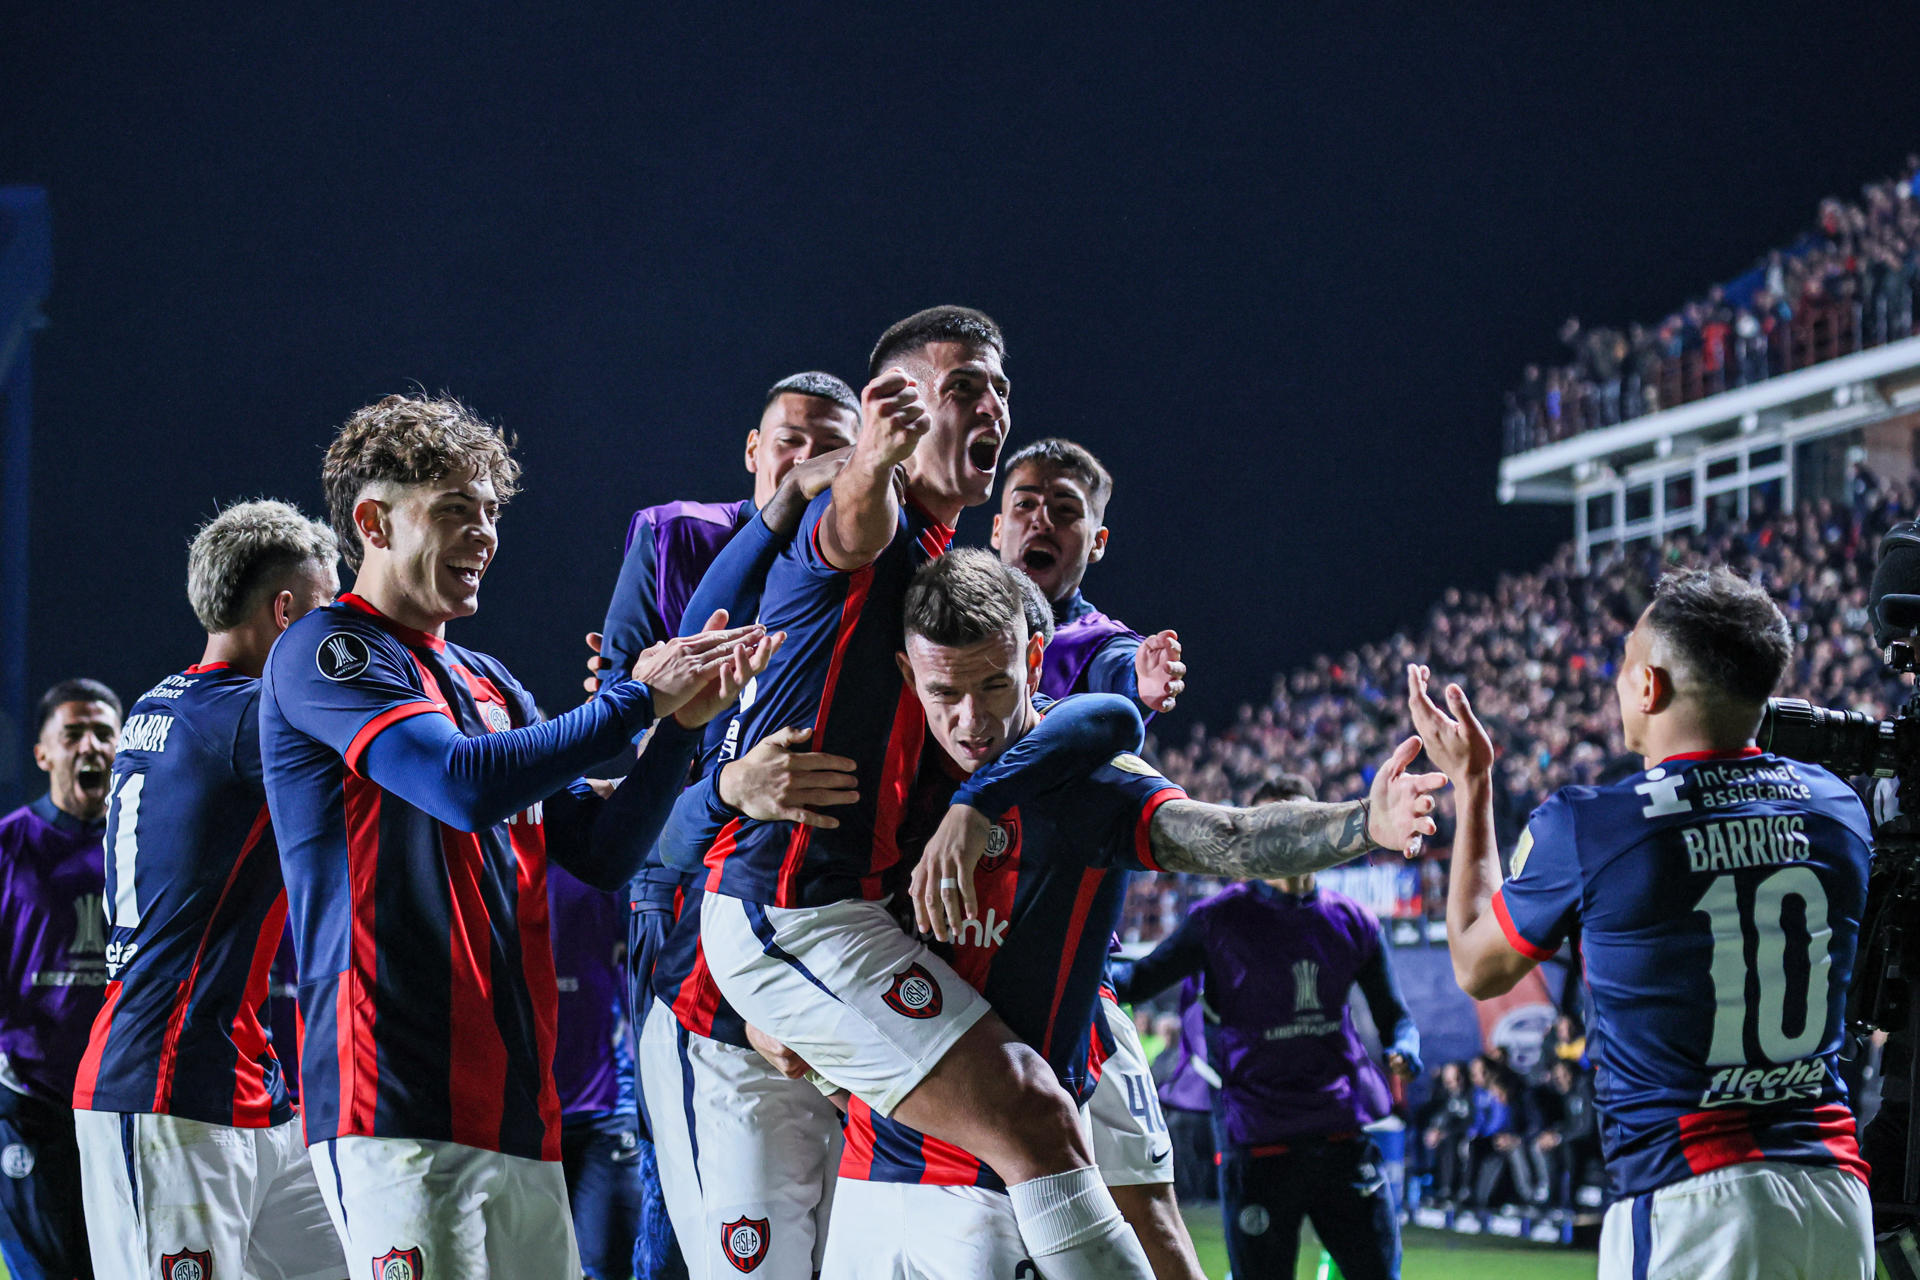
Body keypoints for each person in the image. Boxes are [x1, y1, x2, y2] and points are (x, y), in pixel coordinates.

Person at [759, 549, 1440, 1278]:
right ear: (906, 676)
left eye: (995, 684)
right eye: (943, 692)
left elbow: (1229, 836)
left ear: (1035, 656)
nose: (970, 720)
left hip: (1001, 1188)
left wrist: (1364, 823)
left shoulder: (1088, 785)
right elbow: (774, 909)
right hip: (864, 1173)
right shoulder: (882, 778)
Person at [260, 393, 777, 1275]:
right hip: (393, 1097)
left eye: (492, 512)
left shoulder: (489, 680)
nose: (486, 535)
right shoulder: (328, 649)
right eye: (457, 509)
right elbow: (459, 785)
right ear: (373, 521)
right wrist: (631, 699)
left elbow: (605, 852)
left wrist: (684, 725)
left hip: (517, 1103)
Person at [1410, 566, 1874, 1280]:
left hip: (1694, 1198)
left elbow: (1477, 963)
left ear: (1650, 685)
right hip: (1837, 1196)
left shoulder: (1594, 824)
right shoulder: (1838, 805)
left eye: (1625, 662)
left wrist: (1473, 785)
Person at [587, 369, 858, 1280]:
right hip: (685, 873)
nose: (810, 456)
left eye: (833, 442)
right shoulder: (677, 534)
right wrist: (723, 773)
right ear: (752, 449)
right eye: (791, 437)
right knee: (685, 1188)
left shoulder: (865, 558)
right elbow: (634, 691)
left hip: (808, 878)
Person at [72, 500, 348, 1279]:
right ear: (287, 611)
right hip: (163, 1084)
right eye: (331, 615)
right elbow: (407, 770)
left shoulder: (173, 702)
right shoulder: (243, 719)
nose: (339, 643)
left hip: (245, 1080)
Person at [991, 436, 1199, 1276]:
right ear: (995, 524)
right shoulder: (943, 619)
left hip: (1072, 982)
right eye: (1027, 502)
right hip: (941, 968)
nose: (1042, 518)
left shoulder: (1095, 644)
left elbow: (1120, 673)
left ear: (1096, 541)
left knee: (1146, 1214)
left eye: (1066, 510)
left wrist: (1139, 689)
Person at [1111, 772, 1422, 1280]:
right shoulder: (1217, 920)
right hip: (1258, 1143)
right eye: (1274, 826)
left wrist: (1404, 1047)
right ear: (1251, 842)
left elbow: (1397, 1018)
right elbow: (1139, 979)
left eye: (1302, 821)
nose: (1290, 835)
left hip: (1342, 1135)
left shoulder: (1355, 921)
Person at [0, 678, 120, 1280]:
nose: (90, 747)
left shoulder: (144, 848)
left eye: (103, 733)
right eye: (73, 734)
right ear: (43, 753)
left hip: (120, 1106)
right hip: (31, 1107)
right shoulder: (10, 845)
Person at [550, 860, 646, 1280]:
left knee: (609, 1264)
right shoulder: (490, 866)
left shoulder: (602, 862)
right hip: (521, 1123)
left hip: (605, 1113)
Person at [1416, 1062, 1472, 1206]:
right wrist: (1434, 1129)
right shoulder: (1443, 1094)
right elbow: (1435, 1114)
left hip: (1463, 1136)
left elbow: (1469, 1121)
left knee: (1449, 1143)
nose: (1450, 1083)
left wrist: (1444, 1133)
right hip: (1444, 1134)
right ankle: (1427, 1186)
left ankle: (1447, 1190)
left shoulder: (1470, 1095)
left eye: (1453, 1079)